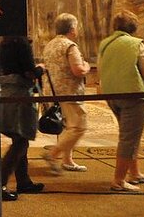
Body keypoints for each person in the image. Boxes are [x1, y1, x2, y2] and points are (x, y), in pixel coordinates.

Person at [98, 10, 144, 192]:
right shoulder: (136, 44)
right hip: (135, 95)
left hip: (111, 95)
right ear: (133, 27)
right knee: (129, 138)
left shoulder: (105, 43)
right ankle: (118, 180)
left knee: (131, 135)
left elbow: (101, 68)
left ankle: (135, 173)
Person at [0, 36, 45, 201]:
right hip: (19, 93)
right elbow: (29, 72)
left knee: (20, 140)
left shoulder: (3, 43)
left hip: (7, 91)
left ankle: (24, 181)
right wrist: (41, 69)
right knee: (21, 141)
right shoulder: (20, 42)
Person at [41, 13, 91, 174]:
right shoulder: (70, 46)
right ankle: (53, 154)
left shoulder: (50, 45)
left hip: (52, 92)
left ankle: (67, 160)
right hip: (69, 92)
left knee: (65, 128)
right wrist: (87, 67)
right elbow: (78, 70)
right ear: (72, 29)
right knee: (79, 126)